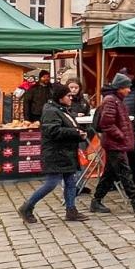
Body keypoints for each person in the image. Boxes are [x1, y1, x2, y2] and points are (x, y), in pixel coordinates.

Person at [17, 87, 86, 223]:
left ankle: (71, 210)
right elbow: (53, 131)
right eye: (68, 95)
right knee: (51, 183)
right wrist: (75, 133)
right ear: (60, 97)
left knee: (70, 182)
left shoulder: (62, 110)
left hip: (66, 153)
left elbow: (69, 127)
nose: (71, 98)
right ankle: (27, 207)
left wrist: (80, 133)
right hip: (55, 153)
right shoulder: (51, 111)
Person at [92, 74, 135, 214]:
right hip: (114, 143)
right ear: (119, 88)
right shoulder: (111, 101)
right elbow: (106, 124)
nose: (129, 90)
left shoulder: (116, 100)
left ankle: (96, 201)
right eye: (127, 87)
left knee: (109, 174)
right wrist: (122, 136)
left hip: (115, 143)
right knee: (125, 171)